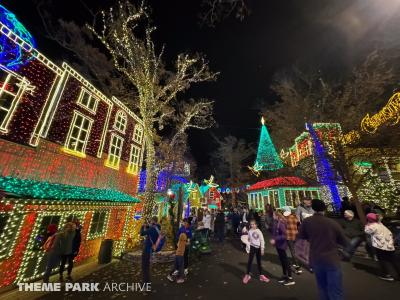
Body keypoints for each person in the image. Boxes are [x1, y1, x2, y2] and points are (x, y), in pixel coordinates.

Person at [298, 199, 349, 300]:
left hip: (316, 259)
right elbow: (345, 242)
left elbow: (301, 238)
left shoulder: (307, 222)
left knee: (322, 288)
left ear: (313, 208)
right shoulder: (332, 223)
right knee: (335, 290)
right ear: (324, 209)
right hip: (332, 259)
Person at [364, 213, 400, 281]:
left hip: (381, 246)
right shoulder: (381, 225)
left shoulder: (372, 226)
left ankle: (387, 275)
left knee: (383, 260)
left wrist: (367, 224)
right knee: (393, 260)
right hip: (389, 245)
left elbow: (367, 231)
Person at [271, 211, 295, 286]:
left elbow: (285, 235)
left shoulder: (281, 223)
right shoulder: (277, 222)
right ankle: (285, 275)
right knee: (282, 260)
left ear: (277, 216)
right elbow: (275, 232)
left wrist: (275, 239)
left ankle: (290, 278)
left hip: (282, 244)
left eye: (273, 215)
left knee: (285, 261)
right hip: (279, 245)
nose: (272, 216)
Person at [242, 219, 270, 284]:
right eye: (251, 224)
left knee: (259, 262)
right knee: (250, 261)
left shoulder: (259, 231)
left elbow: (262, 240)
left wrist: (262, 249)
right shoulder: (249, 231)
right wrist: (247, 237)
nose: (252, 225)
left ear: (256, 224)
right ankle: (247, 275)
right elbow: (249, 238)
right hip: (252, 247)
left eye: (254, 224)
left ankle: (261, 275)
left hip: (258, 248)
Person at [140, 216, 160, 284]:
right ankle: (147, 281)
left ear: (153, 221)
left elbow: (142, 233)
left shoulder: (151, 229)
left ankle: (146, 282)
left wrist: (143, 226)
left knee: (145, 266)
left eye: (151, 221)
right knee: (148, 266)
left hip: (147, 249)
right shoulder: (158, 228)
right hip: (152, 248)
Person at [282, 206, 302, 274]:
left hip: (289, 237)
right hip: (296, 235)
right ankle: (296, 263)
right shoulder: (294, 217)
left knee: (292, 251)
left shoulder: (285, 219)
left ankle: (298, 266)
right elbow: (298, 223)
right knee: (296, 250)